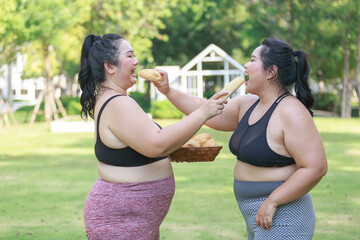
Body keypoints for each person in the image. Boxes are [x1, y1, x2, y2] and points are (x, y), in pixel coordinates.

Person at [153, 37, 327, 239]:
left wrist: (273, 201)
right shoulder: (249, 104)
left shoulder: (291, 111)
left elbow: (316, 167)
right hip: (256, 214)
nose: (245, 65)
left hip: (282, 215)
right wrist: (167, 90)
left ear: (271, 72)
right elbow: (204, 109)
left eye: (252, 60)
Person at [78, 33, 227, 240]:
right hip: (121, 221)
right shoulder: (118, 103)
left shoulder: (114, 99)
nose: (136, 61)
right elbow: (156, 144)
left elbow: (149, 144)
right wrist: (203, 112)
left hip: (136, 220)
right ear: (109, 67)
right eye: (129, 56)